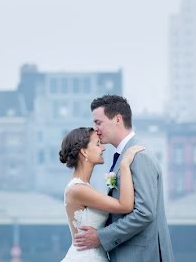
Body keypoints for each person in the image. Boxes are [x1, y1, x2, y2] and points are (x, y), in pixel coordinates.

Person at [74, 94, 175, 262]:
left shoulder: (139, 156)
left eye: (98, 122)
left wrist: (101, 236)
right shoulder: (124, 156)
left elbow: (144, 213)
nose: (95, 129)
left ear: (118, 119)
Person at [58, 126, 145, 261]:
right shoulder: (78, 189)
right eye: (98, 144)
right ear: (84, 152)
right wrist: (125, 164)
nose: (103, 148)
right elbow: (126, 206)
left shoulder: (84, 187)